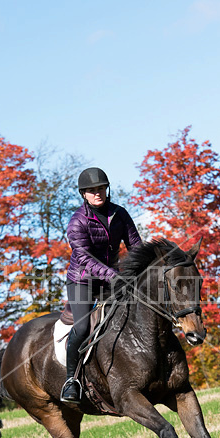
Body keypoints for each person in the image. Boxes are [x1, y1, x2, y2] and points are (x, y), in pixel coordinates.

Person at [60, 167, 142, 405]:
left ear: (106, 189)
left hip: (113, 277)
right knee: (84, 327)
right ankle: (71, 381)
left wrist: (140, 271)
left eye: (100, 189)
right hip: (82, 281)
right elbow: (84, 258)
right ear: (83, 194)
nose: (97, 193)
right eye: (91, 190)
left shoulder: (120, 214)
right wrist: (114, 276)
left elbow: (135, 244)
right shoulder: (77, 222)